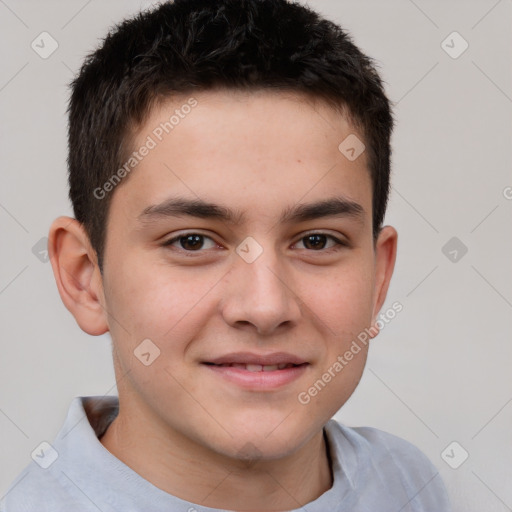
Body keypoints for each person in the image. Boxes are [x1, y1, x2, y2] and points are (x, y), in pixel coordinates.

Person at [2, 0, 451, 510]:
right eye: (192, 241)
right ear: (86, 277)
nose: (265, 308)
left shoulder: (409, 484)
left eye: (316, 241)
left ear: (379, 278)